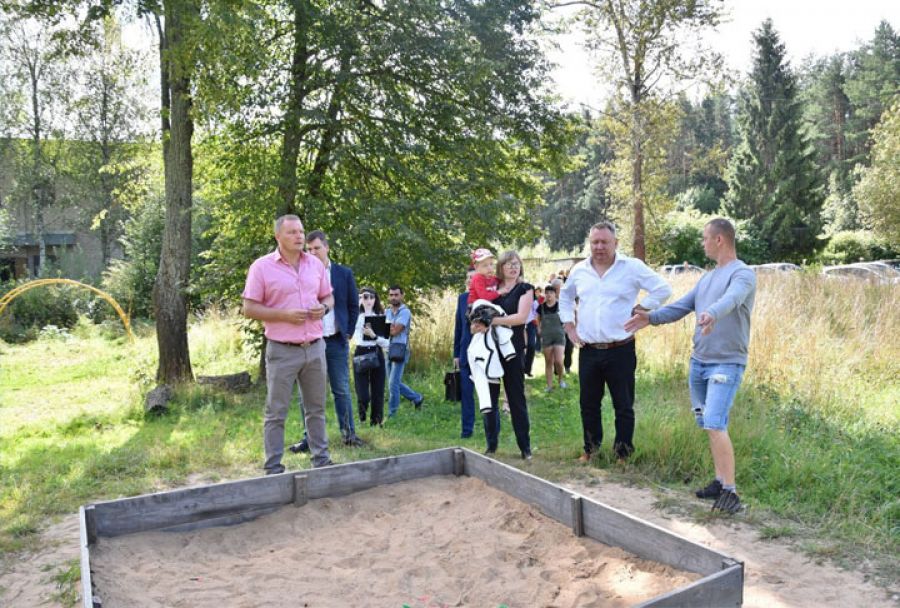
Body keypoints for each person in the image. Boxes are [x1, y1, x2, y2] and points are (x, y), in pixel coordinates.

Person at [625, 218, 755, 514]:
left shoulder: (743, 274)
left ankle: (731, 494)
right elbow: (681, 306)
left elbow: (732, 300)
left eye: (705, 238)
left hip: (726, 364)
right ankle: (720, 482)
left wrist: (711, 313)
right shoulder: (707, 278)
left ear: (719, 240)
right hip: (699, 363)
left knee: (714, 421)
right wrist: (650, 317)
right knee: (708, 425)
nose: (702, 243)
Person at [559, 221, 672, 463]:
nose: (599, 247)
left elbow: (662, 289)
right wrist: (568, 325)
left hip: (620, 349)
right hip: (588, 349)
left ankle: (623, 454)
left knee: (623, 405)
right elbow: (565, 297)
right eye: (594, 242)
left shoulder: (631, 267)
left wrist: (643, 308)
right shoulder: (580, 270)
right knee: (588, 404)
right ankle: (591, 450)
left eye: (604, 242)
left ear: (615, 243)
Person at [242, 214, 334, 473]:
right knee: (276, 411)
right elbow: (249, 308)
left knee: (316, 409)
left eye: (301, 231)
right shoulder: (261, 267)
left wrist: (323, 310)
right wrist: (283, 315)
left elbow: (328, 297)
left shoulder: (315, 265)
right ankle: (273, 467)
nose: (300, 236)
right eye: (292, 232)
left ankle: (322, 462)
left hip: (315, 347)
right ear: (278, 236)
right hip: (282, 349)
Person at [472, 250, 533, 460]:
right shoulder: (489, 289)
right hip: (489, 351)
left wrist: (492, 321)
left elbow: (521, 318)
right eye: (508, 264)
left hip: (513, 351)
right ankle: (491, 445)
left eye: (516, 264)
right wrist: (478, 324)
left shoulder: (524, 289)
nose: (513, 267)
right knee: (489, 397)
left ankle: (525, 447)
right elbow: (474, 323)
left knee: (516, 398)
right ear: (501, 267)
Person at [304, 230, 364, 447]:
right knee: (309, 394)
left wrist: (348, 332)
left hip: (337, 340)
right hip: (311, 341)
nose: (312, 253)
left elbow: (352, 305)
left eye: (317, 248)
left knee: (341, 390)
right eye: (308, 249)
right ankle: (308, 439)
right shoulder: (300, 273)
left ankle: (349, 434)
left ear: (327, 247)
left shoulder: (343, 273)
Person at [352, 287, 389, 427]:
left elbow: (387, 343)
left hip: (376, 352)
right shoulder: (355, 315)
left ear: (375, 299)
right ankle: (362, 419)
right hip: (361, 352)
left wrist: (373, 335)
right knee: (362, 393)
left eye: (371, 297)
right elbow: (349, 334)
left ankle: (376, 421)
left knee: (378, 390)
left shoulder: (381, 316)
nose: (368, 300)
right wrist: (357, 303)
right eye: (364, 297)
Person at [385, 286, 424, 416]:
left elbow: (395, 331)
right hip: (387, 348)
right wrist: (388, 328)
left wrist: (387, 328)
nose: (393, 297)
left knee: (393, 384)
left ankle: (392, 414)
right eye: (391, 295)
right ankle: (417, 398)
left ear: (402, 296)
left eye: (396, 295)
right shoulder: (386, 311)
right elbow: (382, 330)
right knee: (393, 383)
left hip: (400, 349)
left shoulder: (405, 312)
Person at [453, 267, 477, 438]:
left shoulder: (487, 297)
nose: (470, 280)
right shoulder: (462, 299)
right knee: (466, 393)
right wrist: (456, 353)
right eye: (468, 277)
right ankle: (467, 430)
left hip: (483, 351)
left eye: (473, 277)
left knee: (486, 393)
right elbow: (459, 327)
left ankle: (492, 429)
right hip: (464, 351)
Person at [537, 284, 566, 391]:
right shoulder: (541, 307)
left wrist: (567, 325)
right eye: (547, 293)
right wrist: (538, 328)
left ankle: (561, 380)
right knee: (548, 361)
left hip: (559, 336)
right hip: (546, 336)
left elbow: (567, 316)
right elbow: (538, 318)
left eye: (551, 293)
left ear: (555, 294)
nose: (549, 295)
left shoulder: (560, 306)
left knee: (558, 361)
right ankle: (549, 385)